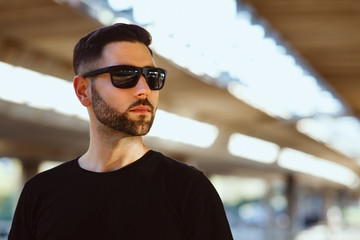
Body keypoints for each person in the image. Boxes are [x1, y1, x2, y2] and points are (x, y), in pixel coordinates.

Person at [8, 23, 233, 239]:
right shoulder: (39, 193)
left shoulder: (189, 189)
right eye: (125, 75)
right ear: (83, 91)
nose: (144, 90)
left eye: (152, 77)